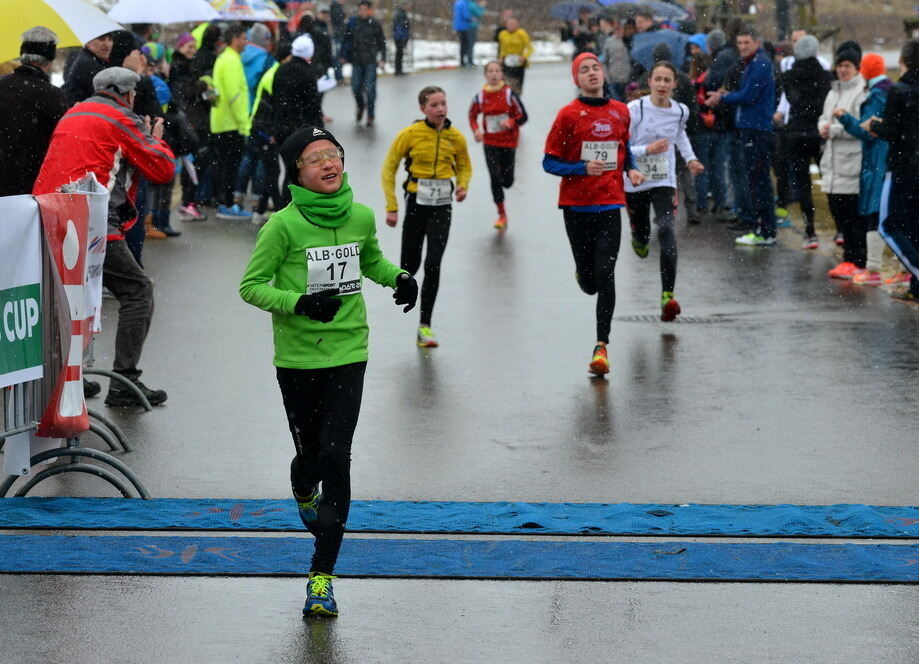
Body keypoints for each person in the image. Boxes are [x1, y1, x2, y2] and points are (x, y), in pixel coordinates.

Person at [240, 125, 418, 617]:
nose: (327, 163)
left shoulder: (360, 216)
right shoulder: (282, 226)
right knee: (311, 458)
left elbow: (372, 262)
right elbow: (251, 287)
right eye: (314, 157)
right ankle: (301, 488)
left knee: (337, 456)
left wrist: (400, 278)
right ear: (297, 171)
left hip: (348, 352)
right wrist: (298, 302)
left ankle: (321, 576)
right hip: (297, 360)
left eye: (332, 153)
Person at [33, 68, 176, 407]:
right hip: (87, 217)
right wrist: (155, 137)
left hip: (47, 211)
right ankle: (125, 381)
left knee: (66, 299)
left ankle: (67, 379)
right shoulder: (120, 117)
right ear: (128, 94)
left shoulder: (76, 110)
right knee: (138, 290)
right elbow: (163, 168)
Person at [542, 53, 644, 376]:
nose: (591, 73)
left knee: (607, 272)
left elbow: (623, 149)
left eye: (595, 68)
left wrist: (633, 170)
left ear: (602, 74)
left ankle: (601, 346)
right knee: (589, 281)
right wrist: (581, 168)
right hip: (576, 206)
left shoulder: (620, 112)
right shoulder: (568, 115)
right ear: (577, 79)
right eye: (583, 70)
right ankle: (582, 275)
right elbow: (548, 162)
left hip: (611, 204)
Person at [381, 86, 472, 347]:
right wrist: (392, 206)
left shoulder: (456, 137)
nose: (441, 109)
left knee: (433, 263)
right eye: (434, 105)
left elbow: (465, 165)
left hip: (442, 207)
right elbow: (389, 168)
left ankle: (425, 325)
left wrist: (463, 184)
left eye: (443, 103)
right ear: (423, 109)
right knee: (409, 267)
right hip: (415, 205)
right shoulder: (409, 135)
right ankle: (406, 294)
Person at [627, 61, 704, 322]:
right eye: (657, 79)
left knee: (667, 229)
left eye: (666, 80)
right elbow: (622, 146)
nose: (661, 85)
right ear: (649, 82)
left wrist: (691, 159)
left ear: (675, 84)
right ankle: (638, 236)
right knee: (644, 234)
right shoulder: (635, 109)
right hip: (636, 179)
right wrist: (646, 151)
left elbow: (680, 136)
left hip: (664, 179)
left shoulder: (681, 111)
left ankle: (667, 296)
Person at [705, 27, 777, 247]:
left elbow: (749, 95)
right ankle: (762, 227)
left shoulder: (761, 64)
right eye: (740, 43)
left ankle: (765, 230)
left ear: (756, 42)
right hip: (751, 126)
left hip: (756, 128)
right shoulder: (752, 63)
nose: (743, 47)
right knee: (755, 179)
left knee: (758, 180)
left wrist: (722, 98)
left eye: (747, 43)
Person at [869, 40, 919, 301]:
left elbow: (891, 131)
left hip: (902, 166)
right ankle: (915, 287)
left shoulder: (900, 91)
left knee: (888, 225)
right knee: (914, 226)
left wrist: (875, 125)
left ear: (903, 60)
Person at [837, 53, 892, 285]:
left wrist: (845, 119)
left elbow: (869, 132)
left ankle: (874, 269)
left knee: (874, 214)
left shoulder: (876, 96)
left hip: (877, 160)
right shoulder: (891, 90)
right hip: (887, 158)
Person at [0, 27, 68, 197]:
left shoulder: (2, 85)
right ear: (50, 58)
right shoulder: (54, 95)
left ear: (23, 53)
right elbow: (61, 142)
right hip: (32, 187)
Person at [819, 46, 867, 279]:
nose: (842, 70)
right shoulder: (833, 91)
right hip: (832, 160)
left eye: (847, 66)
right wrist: (823, 127)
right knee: (838, 211)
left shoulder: (861, 91)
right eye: (839, 66)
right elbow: (823, 116)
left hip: (851, 160)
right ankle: (848, 257)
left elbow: (861, 126)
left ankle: (858, 259)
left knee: (853, 214)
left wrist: (835, 129)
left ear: (856, 67)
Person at [781, 34, 831, 249]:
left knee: (803, 183)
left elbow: (792, 99)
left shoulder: (788, 76)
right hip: (819, 131)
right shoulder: (824, 75)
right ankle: (840, 227)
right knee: (828, 180)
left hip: (796, 131)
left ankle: (810, 230)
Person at [468, 61, 528, 229]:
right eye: (490, 72)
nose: (493, 75)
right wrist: (476, 130)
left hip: (508, 142)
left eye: (497, 71)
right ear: (485, 75)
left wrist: (511, 121)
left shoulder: (509, 95)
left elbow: (524, 116)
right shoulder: (480, 97)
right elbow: (472, 115)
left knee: (507, 182)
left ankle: (505, 180)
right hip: (490, 142)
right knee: (494, 176)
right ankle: (501, 213)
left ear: (502, 75)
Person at [274, 35, 324, 199]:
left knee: (288, 170)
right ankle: (298, 206)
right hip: (301, 130)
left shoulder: (280, 70)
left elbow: (276, 99)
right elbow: (313, 105)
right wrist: (318, 130)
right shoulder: (309, 73)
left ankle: (283, 206)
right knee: (300, 173)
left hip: (282, 128)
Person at [211, 24, 253, 220]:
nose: (246, 42)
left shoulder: (229, 58)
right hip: (230, 123)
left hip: (226, 121)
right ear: (234, 39)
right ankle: (226, 204)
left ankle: (224, 202)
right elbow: (234, 95)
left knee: (227, 165)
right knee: (229, 166)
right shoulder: (230, 60)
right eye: (244, 38)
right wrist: (243, 122)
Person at [169, 32, 209, 221]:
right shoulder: (178, 67)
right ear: (179, 47)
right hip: (188, 121)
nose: (192, 51)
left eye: (194, 47)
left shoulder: (187, 66)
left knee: (194, 163)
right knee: (191, 163)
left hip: (192, 119)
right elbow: (183, 93)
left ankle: (189, 202)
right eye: (188, 47)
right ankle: (187, 202)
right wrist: (200, 86)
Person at [341, 0, 386, 127]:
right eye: (361, 9)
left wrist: (382, 59)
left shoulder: (375, 24)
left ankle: (370, 114)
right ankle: (361, 106)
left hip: (370, 61)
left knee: (371, 90)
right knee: (355, 88)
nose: (363, 12)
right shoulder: (353, 22)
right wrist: (343, 55)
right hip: (356, 61)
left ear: (369, 10)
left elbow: (382, 43)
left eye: (365, 9)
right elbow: (346, 39)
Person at [62, 33, 112, 106]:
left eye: (110, 39)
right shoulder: (88, 64)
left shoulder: (93, 60)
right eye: (102, 39)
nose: (107, 44)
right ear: (88, 42)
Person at [497, 16, 532, 95]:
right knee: (506, 81)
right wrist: (501, 57)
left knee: (518, 83)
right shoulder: (502, 34)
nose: (511, 26)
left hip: (519, 62)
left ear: (517, 24)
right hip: (507, 61)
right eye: (509, 24)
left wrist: (524, 56)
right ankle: (507, 97)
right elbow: (502, 48)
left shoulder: (522, 33)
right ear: (506, 25)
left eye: (513, 24)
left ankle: (517, 98)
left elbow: (529, 48)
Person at [599, 16, 629, 102]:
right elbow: (604, 61)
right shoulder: (609, 42)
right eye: (617, 29)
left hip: (626, 78)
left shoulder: (627, 40)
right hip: (613, 78)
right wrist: (608, 78)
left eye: (622, 29)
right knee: (616, 102)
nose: (620, 31)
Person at [392, 3, 410, 76]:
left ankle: (398, 69)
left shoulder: (400, 13)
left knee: (399, 54)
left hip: (399, 37)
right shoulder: (401, 14)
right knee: (399, 54)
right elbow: (400, 27)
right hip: (399, 37)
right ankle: (398, 70)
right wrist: (403, 37)